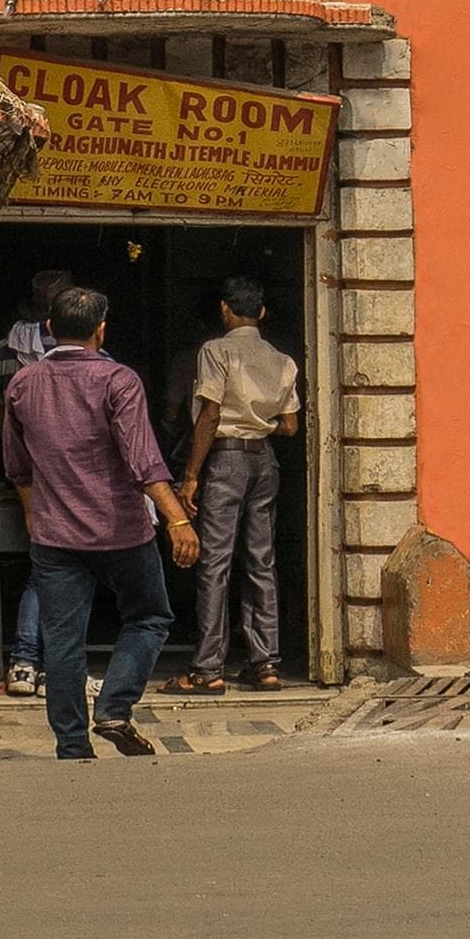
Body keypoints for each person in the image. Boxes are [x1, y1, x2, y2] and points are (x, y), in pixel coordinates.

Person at [0, 280, 196, 761]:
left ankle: (72, 745)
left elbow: (17, 467)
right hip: (121, 531)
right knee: (150, 617)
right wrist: (177, 522)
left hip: (55, 535)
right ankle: (114, 705)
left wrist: (33, 515)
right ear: (100, 331)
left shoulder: (23, 383)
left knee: (62, 640)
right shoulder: (118, 381)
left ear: (48, 328)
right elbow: (144, 461)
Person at [181, 276, 304, 691]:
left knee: (215, 563)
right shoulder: (283, 361)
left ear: (225, 310)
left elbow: (210, 415)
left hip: (225, 459)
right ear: (263, 313)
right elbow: (290, 426)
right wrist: (260, 422)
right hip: (264, 461)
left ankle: (208, 668)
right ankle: (265, 662)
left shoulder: (216, 351)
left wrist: (192, 474)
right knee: (261, 561)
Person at [0, 265, 77, 694]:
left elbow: (0, 413)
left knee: (46, 567)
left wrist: (11, 466)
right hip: (74, 477)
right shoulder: (85, 352)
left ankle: (28, 661)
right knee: (65, 571)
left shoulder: (7, 350)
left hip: (27, 471)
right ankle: (32, 660)